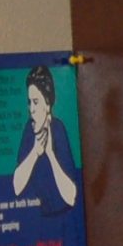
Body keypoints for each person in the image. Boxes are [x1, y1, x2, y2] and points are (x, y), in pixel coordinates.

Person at [12, 65, 80, 214]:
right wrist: (35, 153)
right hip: (39, 220)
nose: (31, 109)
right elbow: (17, 187)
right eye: (29, 102)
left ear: (47, 104)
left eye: (36, 102)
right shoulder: (29, 130)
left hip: (63, 219)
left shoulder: (58, 130)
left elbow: (71, 196)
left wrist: (50, 154)